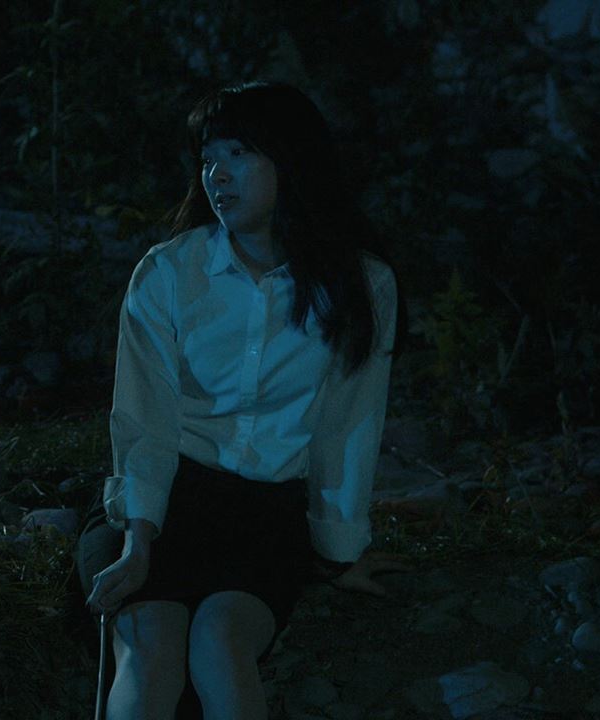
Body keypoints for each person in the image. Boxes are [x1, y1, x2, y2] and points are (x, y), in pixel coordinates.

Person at [85, 82, 409, 719]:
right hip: (166, 502)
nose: (217, 175)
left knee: (220, 642)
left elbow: (349, 424)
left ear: (291, 160)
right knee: (150, 652)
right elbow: (145, 417)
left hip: (266, 514)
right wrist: (137, 541)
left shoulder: (363, 284)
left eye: (238, 154)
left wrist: (340, 550)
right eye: (208, 158)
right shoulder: (170, 271)